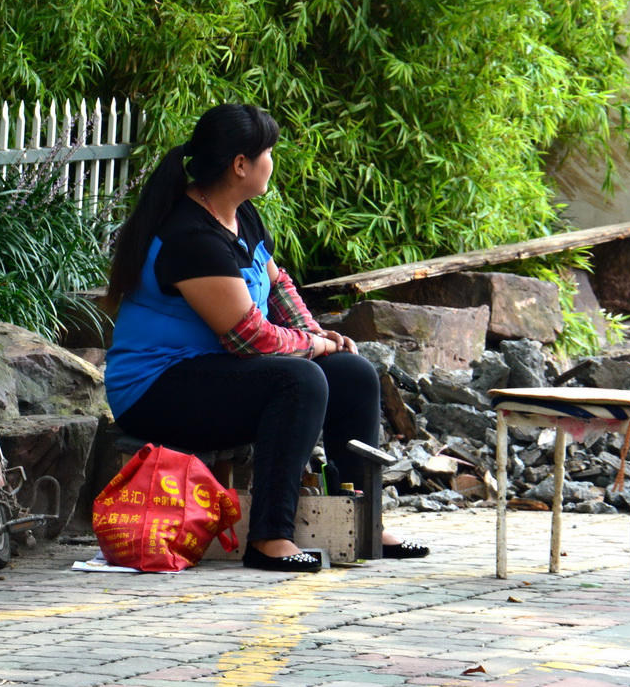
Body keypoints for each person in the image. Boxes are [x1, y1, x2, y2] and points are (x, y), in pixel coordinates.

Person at [104, 103, 428, 572]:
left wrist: (318, 333)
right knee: (300, 380)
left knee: (353, 374)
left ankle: (363, 522)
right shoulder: (189, 236)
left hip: (215, 374)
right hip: (158, 390)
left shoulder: (241, 214)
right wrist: (314, 347)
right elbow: (248, 338)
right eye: (269, 153)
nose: (272, 162)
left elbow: (276, 285)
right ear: (240, 164)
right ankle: (270, 538)